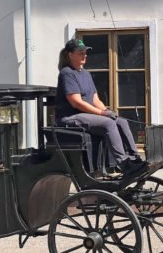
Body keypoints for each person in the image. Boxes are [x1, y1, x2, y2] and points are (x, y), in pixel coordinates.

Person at [55, 38, 145, 176]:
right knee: (108, 124)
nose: (85, 55)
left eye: (85, 52)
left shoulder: (86, 73)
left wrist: (106, 110)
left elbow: (95, 99)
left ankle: (134, 158)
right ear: (70, 55)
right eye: (80, 53)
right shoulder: (67, 73)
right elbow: (76, 102)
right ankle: (123, 163)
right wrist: (102, 114)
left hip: (85, 115)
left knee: (121, 121)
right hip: (70, 117)